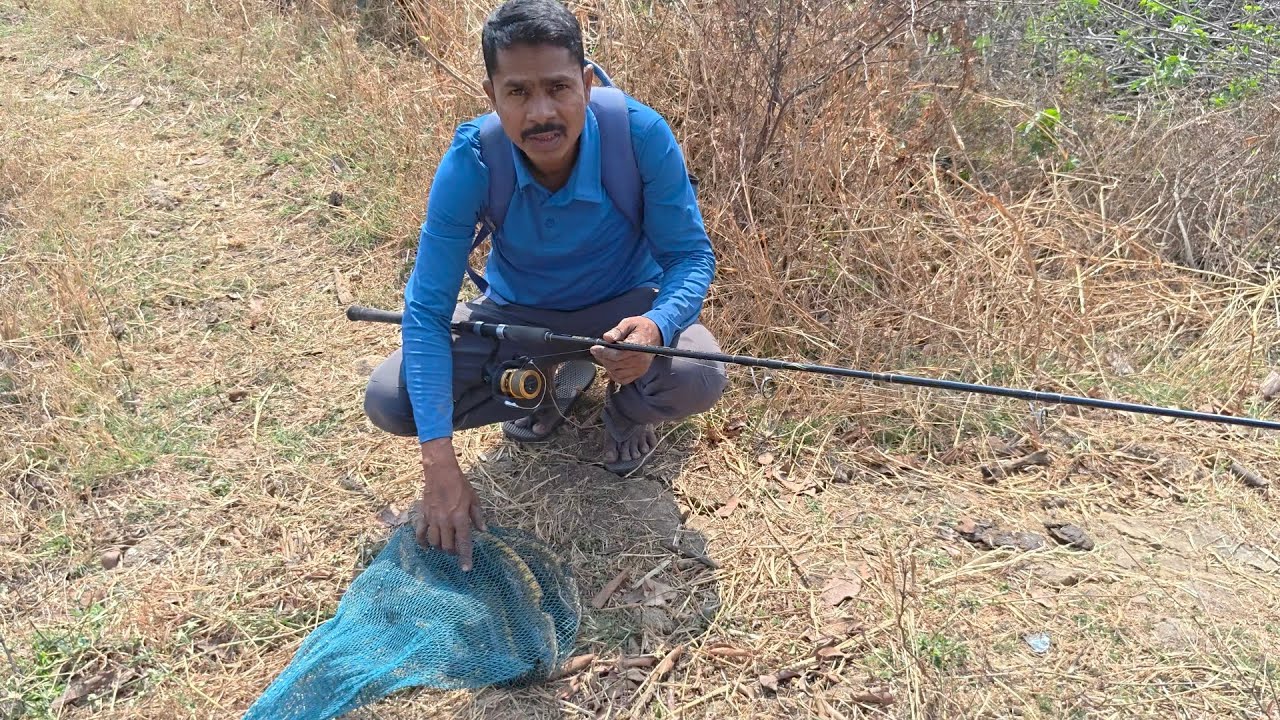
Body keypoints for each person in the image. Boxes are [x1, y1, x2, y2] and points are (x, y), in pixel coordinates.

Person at [361, 0, 727, 570]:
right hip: (517, 315)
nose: (541, 113)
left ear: (585, 82)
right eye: (518, 93)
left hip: (625, 312)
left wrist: (656, 324)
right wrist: (439, 463)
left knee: (699, 374)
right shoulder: (473, 160)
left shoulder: (639, 134)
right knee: (392, 399)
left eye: (558, 87)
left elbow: (690, 255)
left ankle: (624, 408)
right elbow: (427, 310)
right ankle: (542, 378)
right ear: (492, 97)